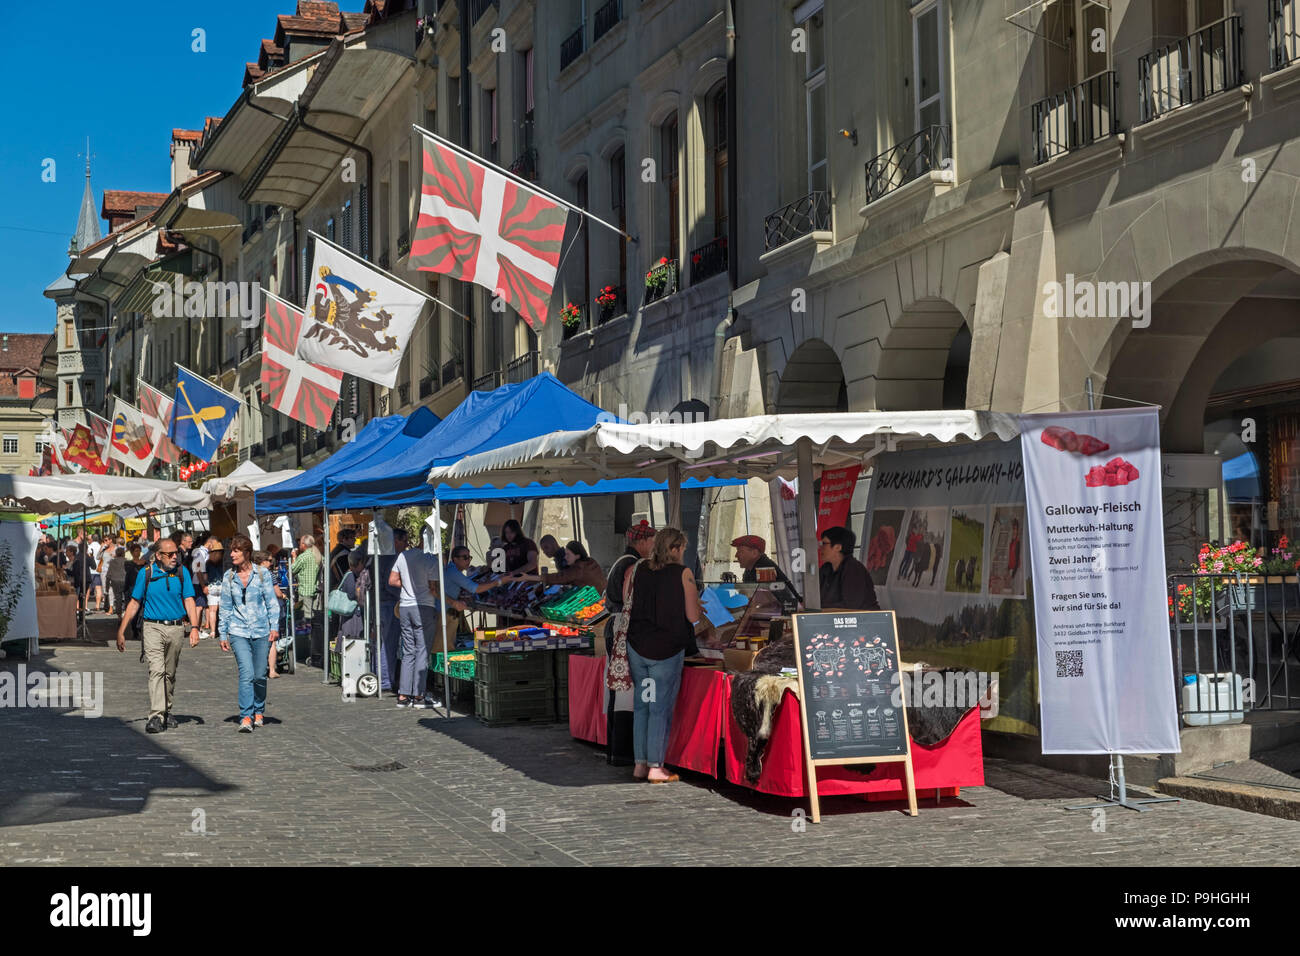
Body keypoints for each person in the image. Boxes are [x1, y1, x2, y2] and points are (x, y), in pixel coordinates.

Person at [626, 528, 700, 784]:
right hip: (665, 650)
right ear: (675, 548)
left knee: (642, 705)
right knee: (659, 708)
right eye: (682, 548)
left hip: (637, 646)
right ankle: (656, 767)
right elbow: (693, 617)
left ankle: (640, 764)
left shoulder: (640, 569)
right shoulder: (683, 573)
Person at [116, 538, 201, 734]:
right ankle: (156, 715)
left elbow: (189, 599)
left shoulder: (181, 572)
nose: (174, 557)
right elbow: (134, 603)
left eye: (176, 554)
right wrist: (122, 630)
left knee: (169, 673)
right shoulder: (146, 573)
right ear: (158, 555)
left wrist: (194, 627)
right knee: (157, 670)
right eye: (169, 554)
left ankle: (166, 709)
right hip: (152, 627)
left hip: (176, 628)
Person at [603, 520, 656, 765]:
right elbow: (633, 599)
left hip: (615, 626)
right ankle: (623, 752)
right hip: (625, 629)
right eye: (652, 541)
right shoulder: (634, 565)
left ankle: (615, 749)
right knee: (625, 689)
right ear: (642, 542)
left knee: (618, 689)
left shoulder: (620, 560)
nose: (653, 546)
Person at [389, 542, 464, 709]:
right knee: (422, 650)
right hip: (423, 607)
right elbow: (434, 590)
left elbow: (392, 580)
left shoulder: (403, 556)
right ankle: (418, 695)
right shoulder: (430, 560)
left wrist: (408, 586)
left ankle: (403, 695)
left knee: (408, 651)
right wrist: (453, 602)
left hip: (405, 607)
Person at [218, 536, 280, 732]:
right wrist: (222, 633)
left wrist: (274, 627)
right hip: (238, 631)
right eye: (231, 550)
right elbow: (225, 607)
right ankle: (246, 716)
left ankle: (259, 709)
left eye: (236, 551)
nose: (232, 554)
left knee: (260, 674)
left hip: (261, 629)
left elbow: (271, 602)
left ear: (246, 552)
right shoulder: (229, 576)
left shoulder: (262, 574)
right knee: (247, 673)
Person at [376, 527, 409, 692]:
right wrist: (405, 593)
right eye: (405, 541)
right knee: (388, 643)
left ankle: (384, 678)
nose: (407, 545)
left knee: (384, 642)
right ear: (397, 541)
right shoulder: (393, 557)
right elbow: (391, 584)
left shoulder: (383, 555)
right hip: (389, 604)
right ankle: (385, 680)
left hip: (382, 603)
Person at [819, 525, 879, 610]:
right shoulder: (826, 569)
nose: (820, 548)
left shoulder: (853, 569)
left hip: (864, 621)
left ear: (838, 547)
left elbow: (850, 606)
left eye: (824, 544)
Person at [731, 534, 803, 604]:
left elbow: (767, 602)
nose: (736, 555)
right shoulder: (750, 568)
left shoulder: (764, 569)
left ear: (754, 553)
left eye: (740, 551)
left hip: (785, 611)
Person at [511, 540, 605, 592]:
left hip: (594, 601)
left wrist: (528, 577)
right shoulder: (591, 561)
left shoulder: (578, 569)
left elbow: (559, 577)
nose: (565, 557)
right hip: (603, 597)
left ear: (577, 556)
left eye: (568, 554)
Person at [291, 535, 323, 665]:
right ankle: (316, 650)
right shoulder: (319, 555)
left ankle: (308, 650)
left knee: (305, 623)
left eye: (300, 543)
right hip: (316, 592)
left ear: (304, 544)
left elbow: (292, 570)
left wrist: (293, 558)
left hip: (305, 593)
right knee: (315, 623)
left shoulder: (303, 557)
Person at [256, 551, 287, 679]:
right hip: (268, 610)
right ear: (262, 561)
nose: (271, 563)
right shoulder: (269, 574)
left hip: (255, 611)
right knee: (272, 640)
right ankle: (272, 670)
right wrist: (284, 596)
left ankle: (259, 669)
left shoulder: (250, 574)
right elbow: (277, 593)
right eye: (269, 560)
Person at [107, 547, 127, 616]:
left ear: (116, 554)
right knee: (126, 598)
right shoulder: (127, 561)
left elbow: (108, 575)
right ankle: (125, 612)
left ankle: (119, 616)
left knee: (118, 599)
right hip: (125, 581)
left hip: (115, 581)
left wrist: (107, 586)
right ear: (124, 553)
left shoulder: (112, 562)